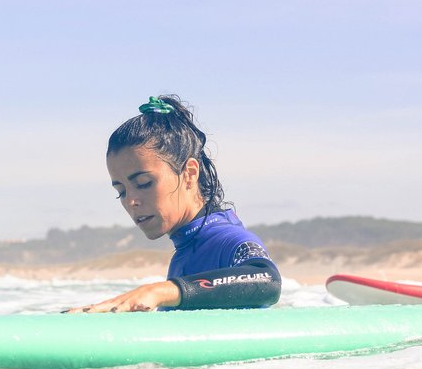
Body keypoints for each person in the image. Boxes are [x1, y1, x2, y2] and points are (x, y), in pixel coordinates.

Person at [70, 95, 281, 312]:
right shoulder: (186, 250)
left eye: (144, 183)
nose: (131, 201)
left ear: (189, 173)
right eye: (121, 191)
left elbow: (267, 281)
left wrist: (159, 291)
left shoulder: (227, 239)